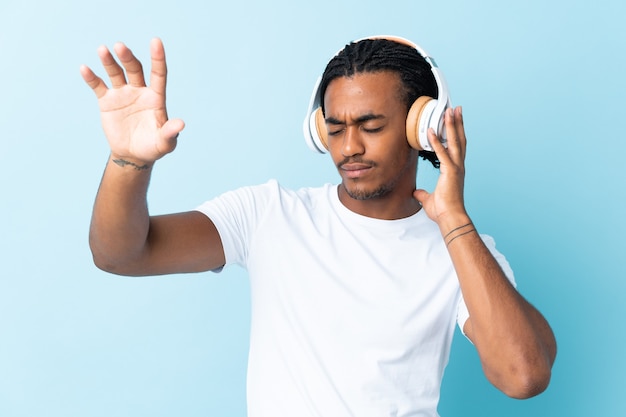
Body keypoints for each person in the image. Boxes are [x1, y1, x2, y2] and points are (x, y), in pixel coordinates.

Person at [80, 36, 556, 417]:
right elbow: (121, 255)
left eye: (370, 126)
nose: (348, 147)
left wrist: (454, 219)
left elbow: (523, 376)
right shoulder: (267, 214)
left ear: (420, 127)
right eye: (335, 127)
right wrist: (127, 161)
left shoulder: (463, 252)